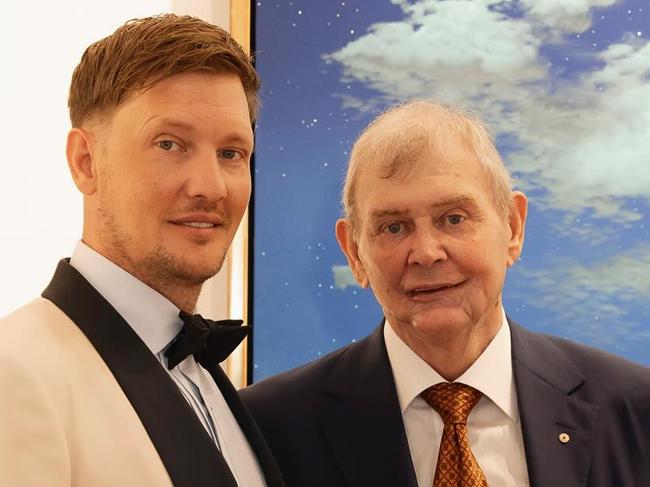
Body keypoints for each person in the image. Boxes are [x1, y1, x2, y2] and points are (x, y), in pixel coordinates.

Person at [240, 101, 650, 487]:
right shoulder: (268, 429)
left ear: (512, 227)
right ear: (354, 253)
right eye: (393, 227)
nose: (426, 253)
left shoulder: (634, 410)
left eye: (453, 218)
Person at [0, 14, 285, 487]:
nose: (210, 187)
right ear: (86, 162)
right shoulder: (15, 374)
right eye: (170, 144)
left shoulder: (207, 378)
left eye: (231, 153)